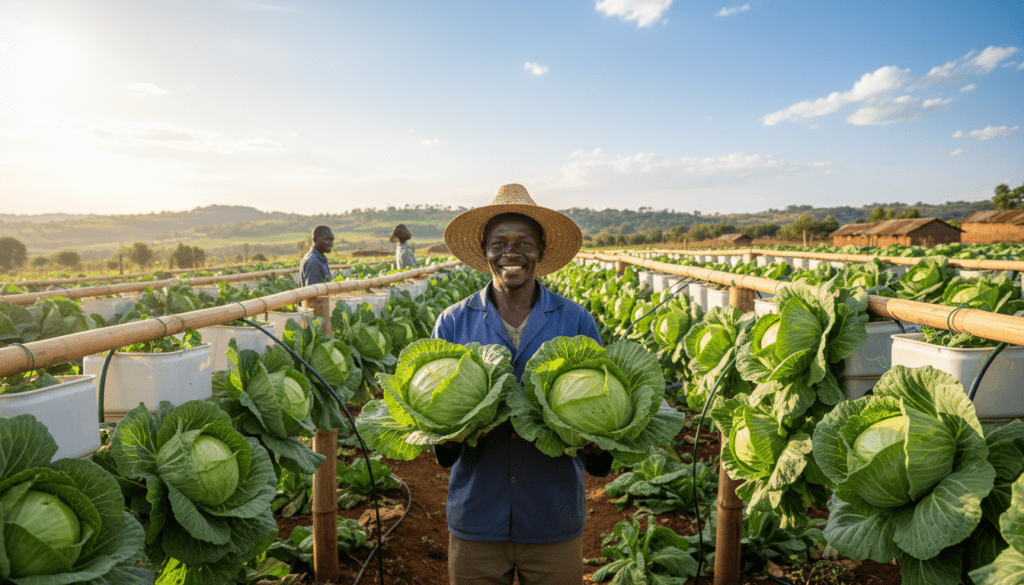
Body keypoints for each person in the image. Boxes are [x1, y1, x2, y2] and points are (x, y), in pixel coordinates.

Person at [432, 183, 612, 584]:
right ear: (484, 251)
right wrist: (451, 429)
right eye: (499, 243)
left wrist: (597, 438)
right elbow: (440, 448)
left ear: (541, 251)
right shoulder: (452, 322)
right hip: (477, 518)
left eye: (524, 243)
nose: (511, 253)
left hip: (552, 519)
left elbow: (601, 438)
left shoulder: (576, 321)